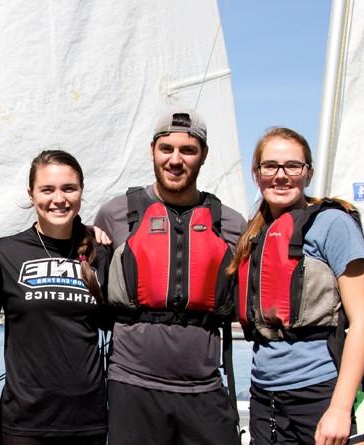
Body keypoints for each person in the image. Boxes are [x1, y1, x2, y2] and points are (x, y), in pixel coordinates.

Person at [93, 109, 245, 445]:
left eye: (188, 150)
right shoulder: (114, 215)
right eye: (167, 149)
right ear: (152, 151)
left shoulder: (231, 224)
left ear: (203, 155)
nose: (175, 160)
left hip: (203, 387)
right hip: (132, 386)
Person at [228, 127, 364, 445]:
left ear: (307, 173)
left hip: (323, 390)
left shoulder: (333, 224)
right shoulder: (255, 235)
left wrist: (340, 408)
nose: (281, 176)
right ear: (257, 174)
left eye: (292, 166)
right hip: (265, 395)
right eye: (270, 166)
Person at [0, 150, 110, 445]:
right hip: (25, 424)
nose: (59, 199)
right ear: (31, 194)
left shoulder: (100, 253)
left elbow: (117, 324)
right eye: (47, 189)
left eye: (69, 188)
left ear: (81, 192)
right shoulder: (5, 253)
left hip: (88, 421)